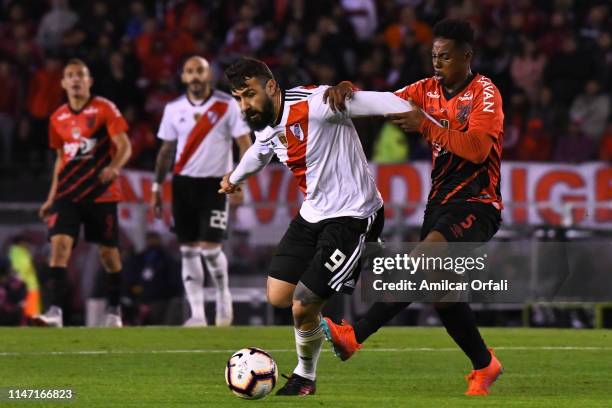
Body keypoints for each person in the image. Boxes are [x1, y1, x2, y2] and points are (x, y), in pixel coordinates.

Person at [321, 19, 504, 396]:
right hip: (438, 203)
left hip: (478, 202)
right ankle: (485, 365)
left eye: (446, 56)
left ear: (466, 57)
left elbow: (478, 149)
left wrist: (426, 125)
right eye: (435, 55)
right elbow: (383, 102)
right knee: (443, 294)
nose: (437, 62)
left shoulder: (485, 93)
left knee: (422, 261)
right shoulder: (426, 89)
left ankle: (355, 335)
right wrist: (347, 91)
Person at [219, 57, 419, 396]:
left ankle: (304, 377)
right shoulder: (266, 121)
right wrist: (234, 178)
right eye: (238, 98)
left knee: (303, 303)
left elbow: (380, 101)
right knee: (277, 296)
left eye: (249, 95)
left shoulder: (319, 103)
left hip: (354, 215)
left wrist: (418, 113)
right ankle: (364, 257)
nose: (245, 105)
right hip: (313, 213)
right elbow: (261, 150)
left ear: (271, 87)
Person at [152, 56, 252, 327]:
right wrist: (156, 187)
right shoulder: (173, 109)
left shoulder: (227, 105)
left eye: (200, 71)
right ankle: (197, 314)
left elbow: (245, 142)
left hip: (216, 184)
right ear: (183, 77)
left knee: (210, 249)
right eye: (190, 71)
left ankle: (222, 296)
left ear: (209, 76)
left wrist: (240, 179)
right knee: (187, 250)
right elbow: (165, 151)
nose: (195, 76)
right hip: (183, 184)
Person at [34, 58, 132, 328]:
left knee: (109, 255)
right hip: (68, 195)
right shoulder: (57, 118)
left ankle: (114, 310)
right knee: (59, 247)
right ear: (64, 83)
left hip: (101, 193)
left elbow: (124, 146)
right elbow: (60, 160)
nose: (76, 79)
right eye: (70, 75)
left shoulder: (104, 109)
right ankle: (55, 311)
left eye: (81, 75)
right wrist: (51, 197)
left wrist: (114, 167)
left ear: (89, 81)